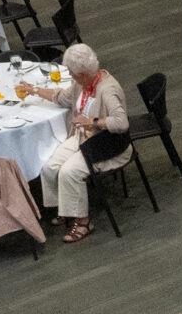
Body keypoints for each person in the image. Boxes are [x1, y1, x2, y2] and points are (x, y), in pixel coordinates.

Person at [12, 43, 127, 243]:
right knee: (49, 167)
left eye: (72, 73)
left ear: (82, 74)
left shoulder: (107, 89)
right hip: (83, 137)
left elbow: (122, 123)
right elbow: (61, 97)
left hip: (106, 144)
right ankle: (66, 209)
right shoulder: (81, 83)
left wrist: (92, 122)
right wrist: (34, 90)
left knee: (69, 172)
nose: (70, 75)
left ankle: (83, 221)